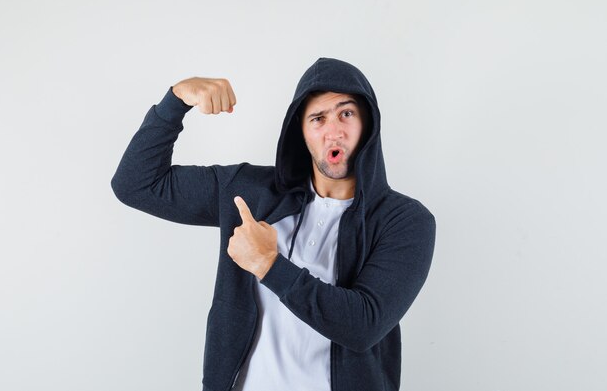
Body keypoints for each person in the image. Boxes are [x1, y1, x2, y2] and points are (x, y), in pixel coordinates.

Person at [111, 57, 436, 391]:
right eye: (318, 119)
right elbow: (136, 185)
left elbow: (363, 326)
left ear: (368, 124)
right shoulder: (250, 192)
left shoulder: (405, 221)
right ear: (302, 133)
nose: (333, 131)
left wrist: (268, 264)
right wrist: (176, 101)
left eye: (347, 114)